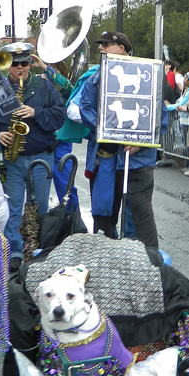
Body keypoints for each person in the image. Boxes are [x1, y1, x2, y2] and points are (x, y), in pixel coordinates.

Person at [0, 42, 65, 270]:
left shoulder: (43, 86)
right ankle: (15, 252)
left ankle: (38, 249)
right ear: (8, 66)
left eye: (24, 63)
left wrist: (36, 112)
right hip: (12, 159)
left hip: (41, 157)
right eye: (15, 64)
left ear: (29, 64)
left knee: (39, 206)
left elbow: (60, 115)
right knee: (13, 208)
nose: (20, 68)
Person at [75, 31, 164, 250]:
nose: (101, 48)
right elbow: (85, 107)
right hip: (106, 160)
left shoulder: (147, 72)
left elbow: (160, 116)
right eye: (101, 45)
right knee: (103, 218)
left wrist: (140, 141)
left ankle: (148, 263)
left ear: (122, 48)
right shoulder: (96, 77)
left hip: (138, 162)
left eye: (106, 45)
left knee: (139, 220)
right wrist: (107, 130)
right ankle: (106, 261)